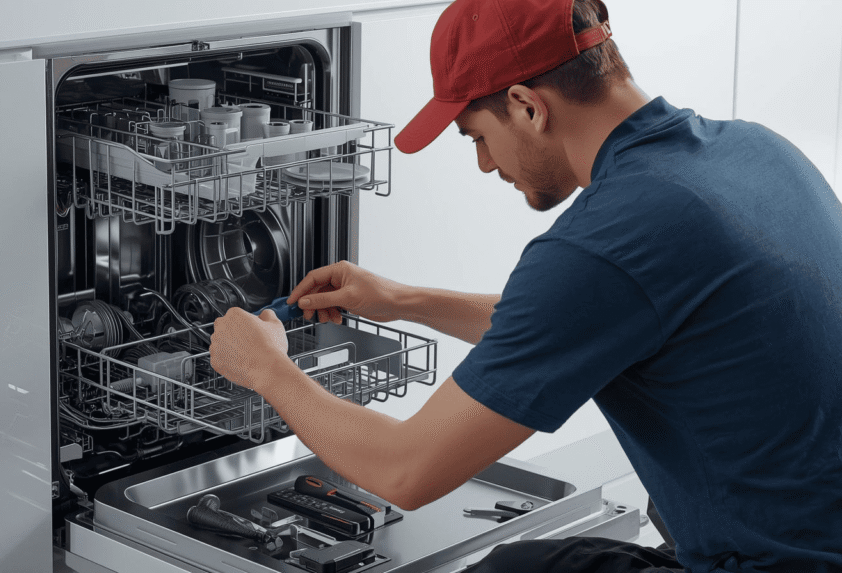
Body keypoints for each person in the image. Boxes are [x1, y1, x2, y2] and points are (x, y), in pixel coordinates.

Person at [209, 0, 842, 570]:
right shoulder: (755, 150)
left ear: (527, 105)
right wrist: (404, 302)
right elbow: (586, 318)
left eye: (478, 137)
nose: (485, 163)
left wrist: (266, 369)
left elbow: (403, 471)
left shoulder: (603, 242)